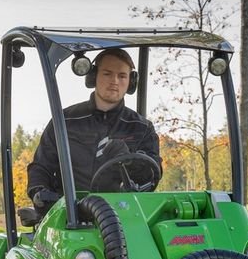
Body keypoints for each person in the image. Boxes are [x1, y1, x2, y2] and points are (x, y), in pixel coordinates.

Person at [27, 46, 160, 214]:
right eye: (107, 74)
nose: (115, 81)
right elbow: (41, 167)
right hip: (68, 216)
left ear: (131, 81)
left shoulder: (142, 128)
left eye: (122, 76)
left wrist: (130, 161)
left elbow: (152, 174)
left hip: (122, 216)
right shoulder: (64, 121)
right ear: (93, 76)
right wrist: (39, 192)